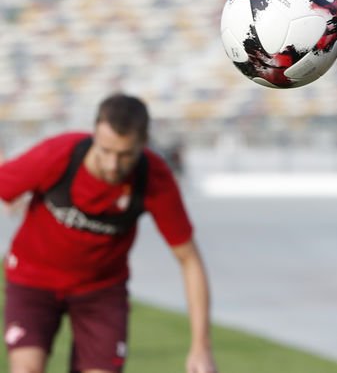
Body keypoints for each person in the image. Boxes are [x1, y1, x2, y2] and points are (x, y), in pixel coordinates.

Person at [0, 94, 217, 373]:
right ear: (95, 134)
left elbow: (189, 259)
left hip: (101, 290)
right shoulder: (59, 154)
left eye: (125, 155)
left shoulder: (154, 178)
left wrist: (201, 346)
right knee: (26, 368)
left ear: (143, 143)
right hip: (33, 279)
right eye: (105, 151)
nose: (113, 165)